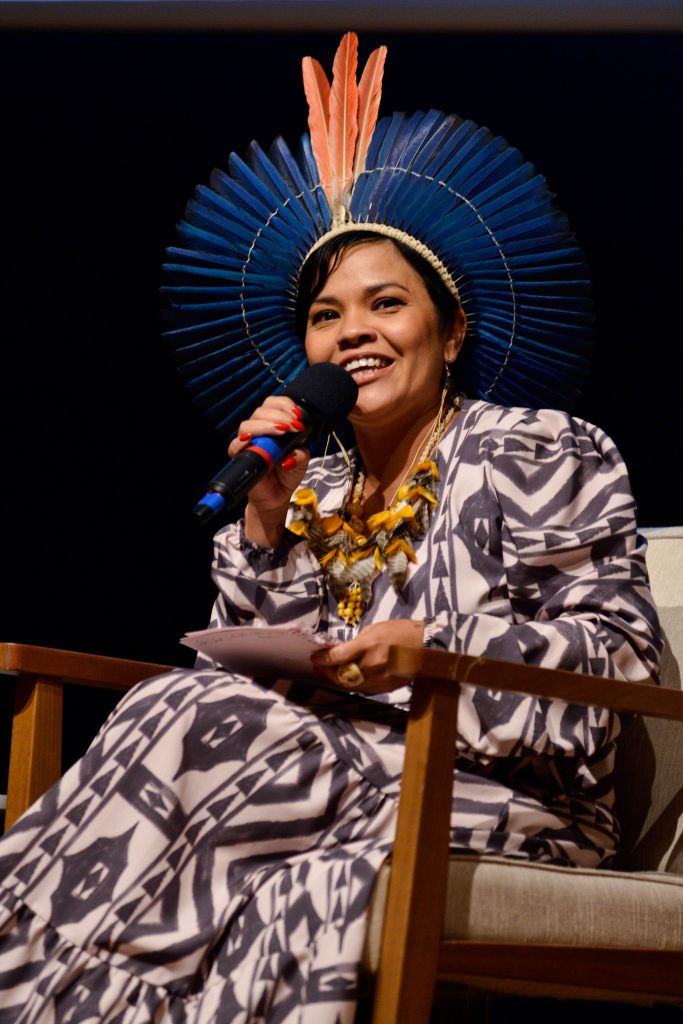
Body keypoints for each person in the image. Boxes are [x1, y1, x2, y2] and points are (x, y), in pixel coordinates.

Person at [0, 33, 662, 1024]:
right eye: (324, 315)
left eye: (385, 304)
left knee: (188, 719)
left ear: (450, 330)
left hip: (501, 792)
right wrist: (265, 520)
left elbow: (620, 657)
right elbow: (254, 684)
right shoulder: (311, 483)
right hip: (315, 763)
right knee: (178, 709)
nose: (351, 331)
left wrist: (429, 649)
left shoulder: (535, 449)